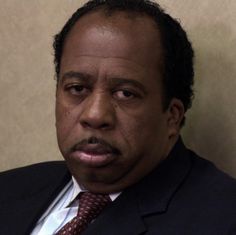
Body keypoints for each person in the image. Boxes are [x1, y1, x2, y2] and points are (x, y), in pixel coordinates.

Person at [0, 0, 236, 234]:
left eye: (125, 93)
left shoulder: (223, 219)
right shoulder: (8, 188)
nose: (94, 115)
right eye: (77, 88)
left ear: (172, 117)